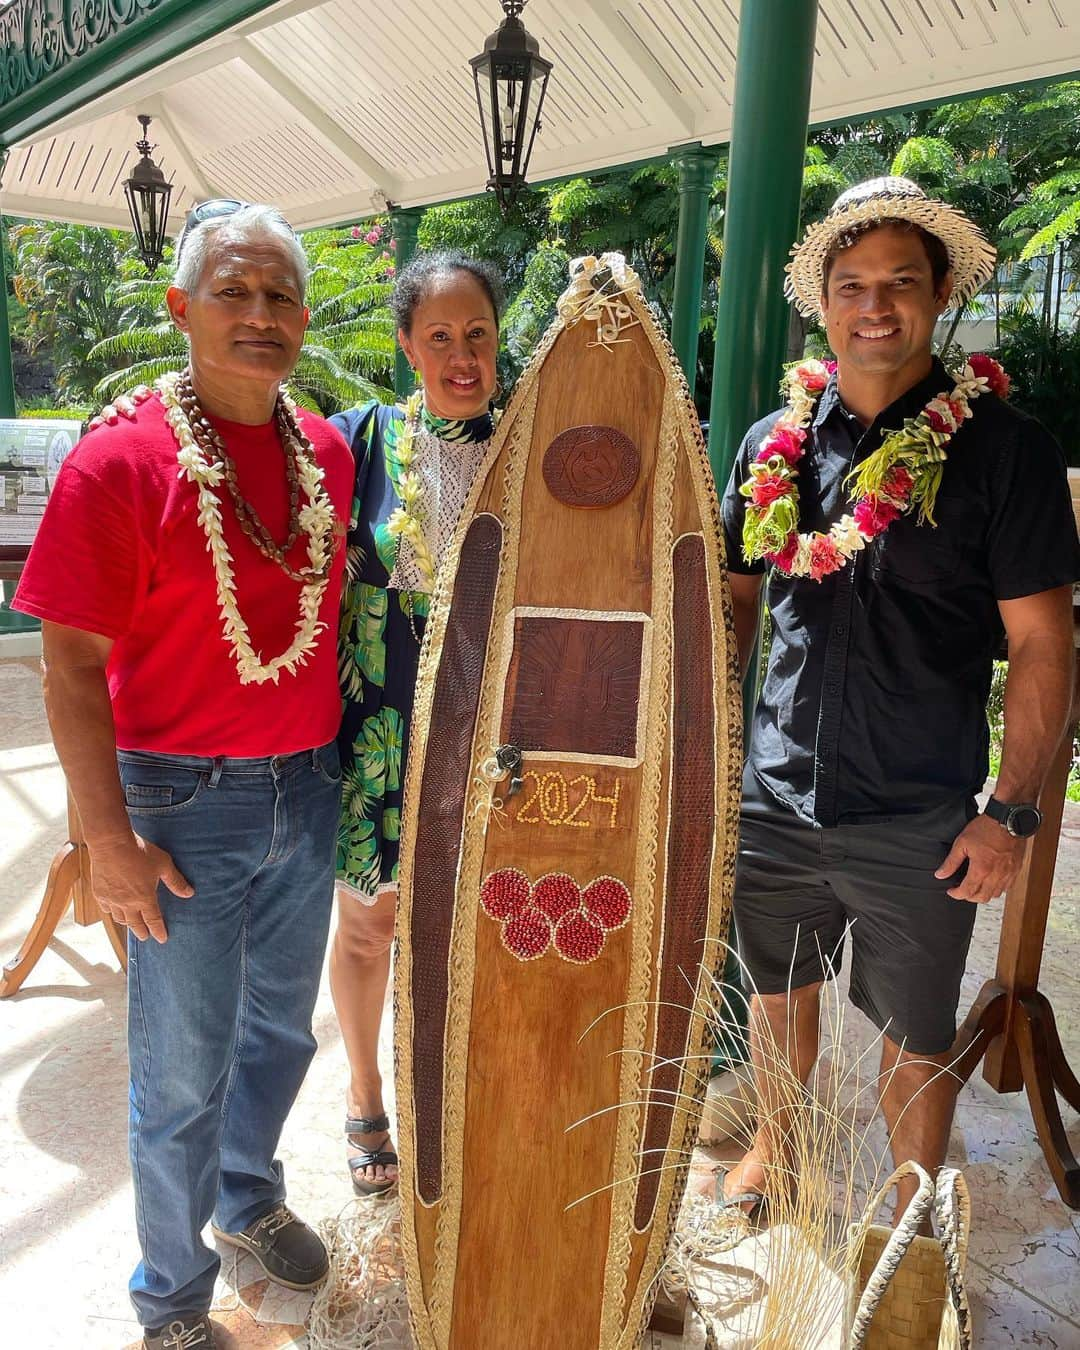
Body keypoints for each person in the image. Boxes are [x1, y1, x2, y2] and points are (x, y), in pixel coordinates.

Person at [13, 202, 353, 1350]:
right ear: (183, 310)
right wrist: (106, 841)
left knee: (283, 1033)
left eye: (279, 298)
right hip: (177, 803)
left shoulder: (331, 456)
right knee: (180, 1070)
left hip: (308, 789)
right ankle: (169, 1304)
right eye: (234, 294)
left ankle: (246, 1200)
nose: (260, 317)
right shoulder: (121, 459)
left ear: (303, 317)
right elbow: (68, 665)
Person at [717, 177, 1079, 1224]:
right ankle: (779, 1148)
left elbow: (1042, 642)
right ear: (823, 304)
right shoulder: (767, 447)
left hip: (921, 810)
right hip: (775, 796)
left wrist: (1009, 810)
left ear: (940, 295)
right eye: (852, 285)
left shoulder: (1007, 453)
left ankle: (909, 1209)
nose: (875, 305)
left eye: (900, 284)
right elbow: (737, 606)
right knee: (778, 1002)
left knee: (914, 1036)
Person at [331, 249, 503, 1194]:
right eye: (439, 335)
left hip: (494, 734)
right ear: (407, 345)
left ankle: (458, 1100)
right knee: (370, 929)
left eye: (477, 332)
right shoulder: (357, 440)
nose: (461, 353)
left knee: (473, 931)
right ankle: (366, 1104)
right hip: (382, 736)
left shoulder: (533, 442)